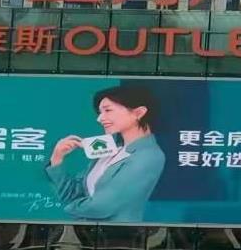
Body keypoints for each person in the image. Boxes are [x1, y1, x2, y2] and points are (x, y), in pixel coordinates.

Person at [46, 85, 166, 222]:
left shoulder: (148, 156)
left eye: (108, 110)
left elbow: (101, 207)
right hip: (86, 230)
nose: (100, 118)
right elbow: (74, 193)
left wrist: (67, 208)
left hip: (116, 233)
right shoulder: (110, 148)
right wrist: (57, 159)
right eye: (100, 112)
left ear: (138, 113)